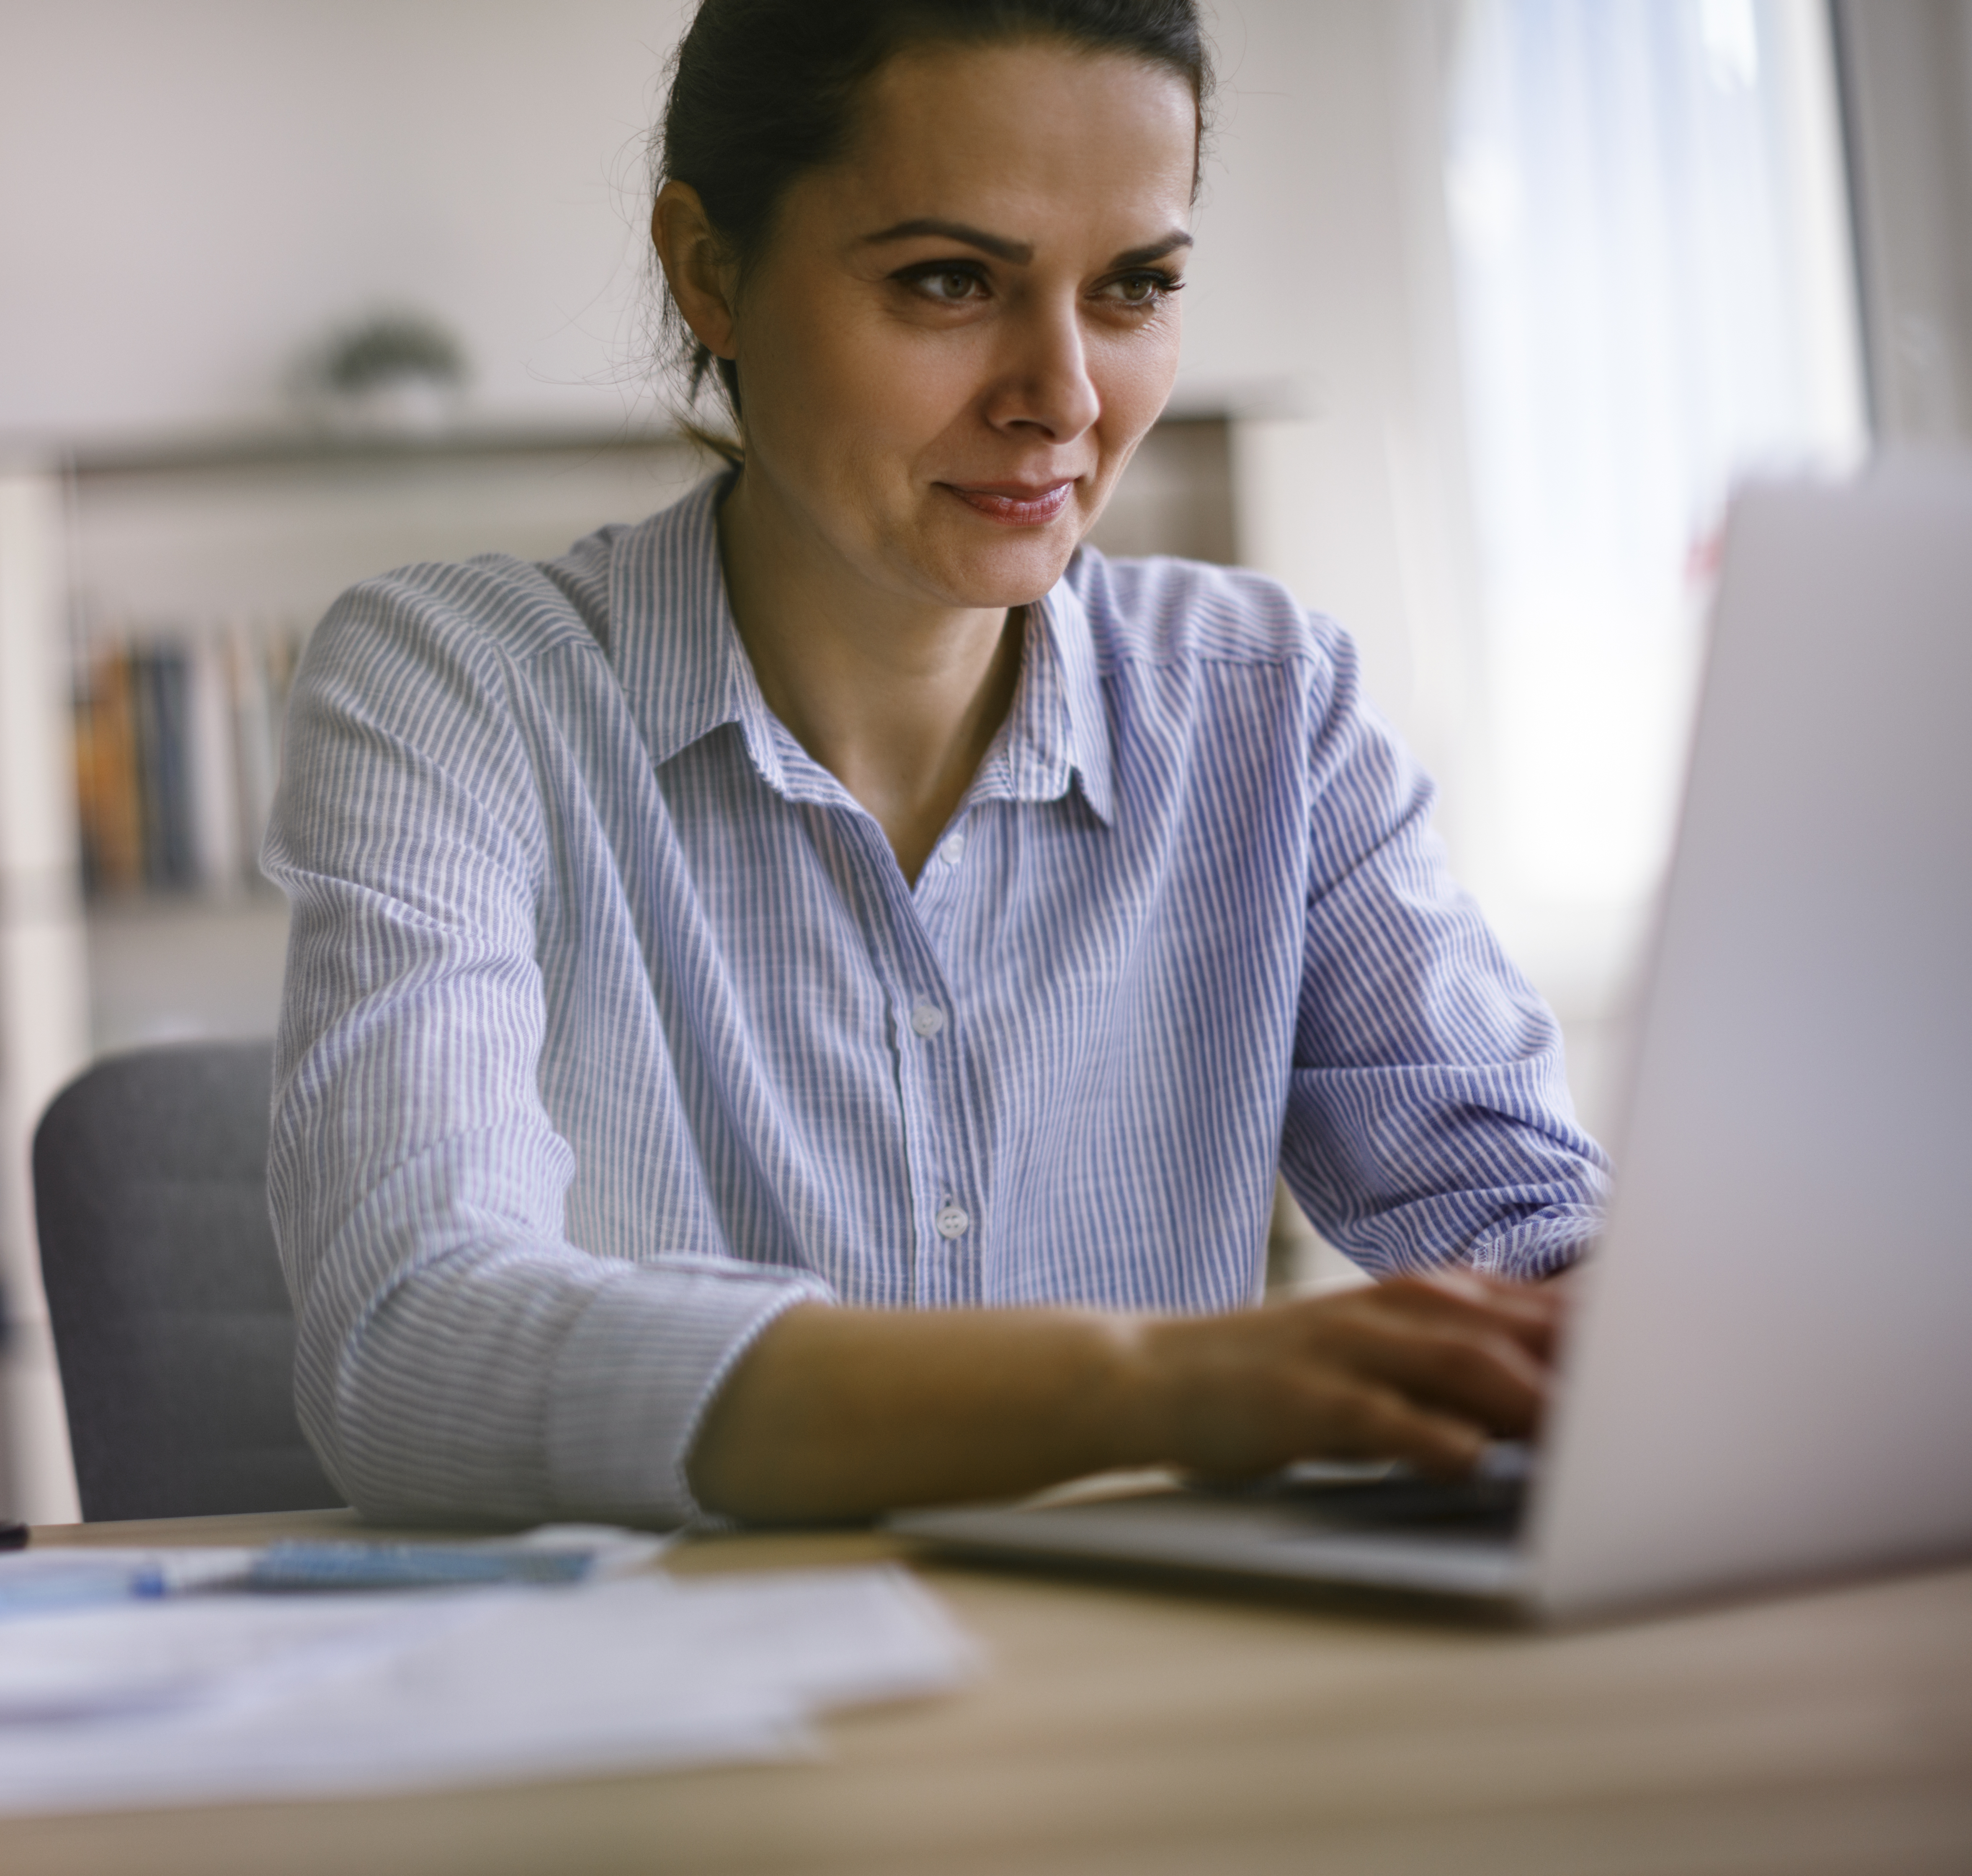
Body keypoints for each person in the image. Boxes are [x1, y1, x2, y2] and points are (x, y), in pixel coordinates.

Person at [264, 0, 1608, 1529]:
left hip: (1148, 1712)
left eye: (1135, 289)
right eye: (949, 281)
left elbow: (1543, 1231)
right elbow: (412, 1348)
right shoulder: (461, 692)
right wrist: (1148, 1388)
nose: (1066, 399)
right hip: (675, 1718)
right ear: (710, 270)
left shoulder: (1270, 710)